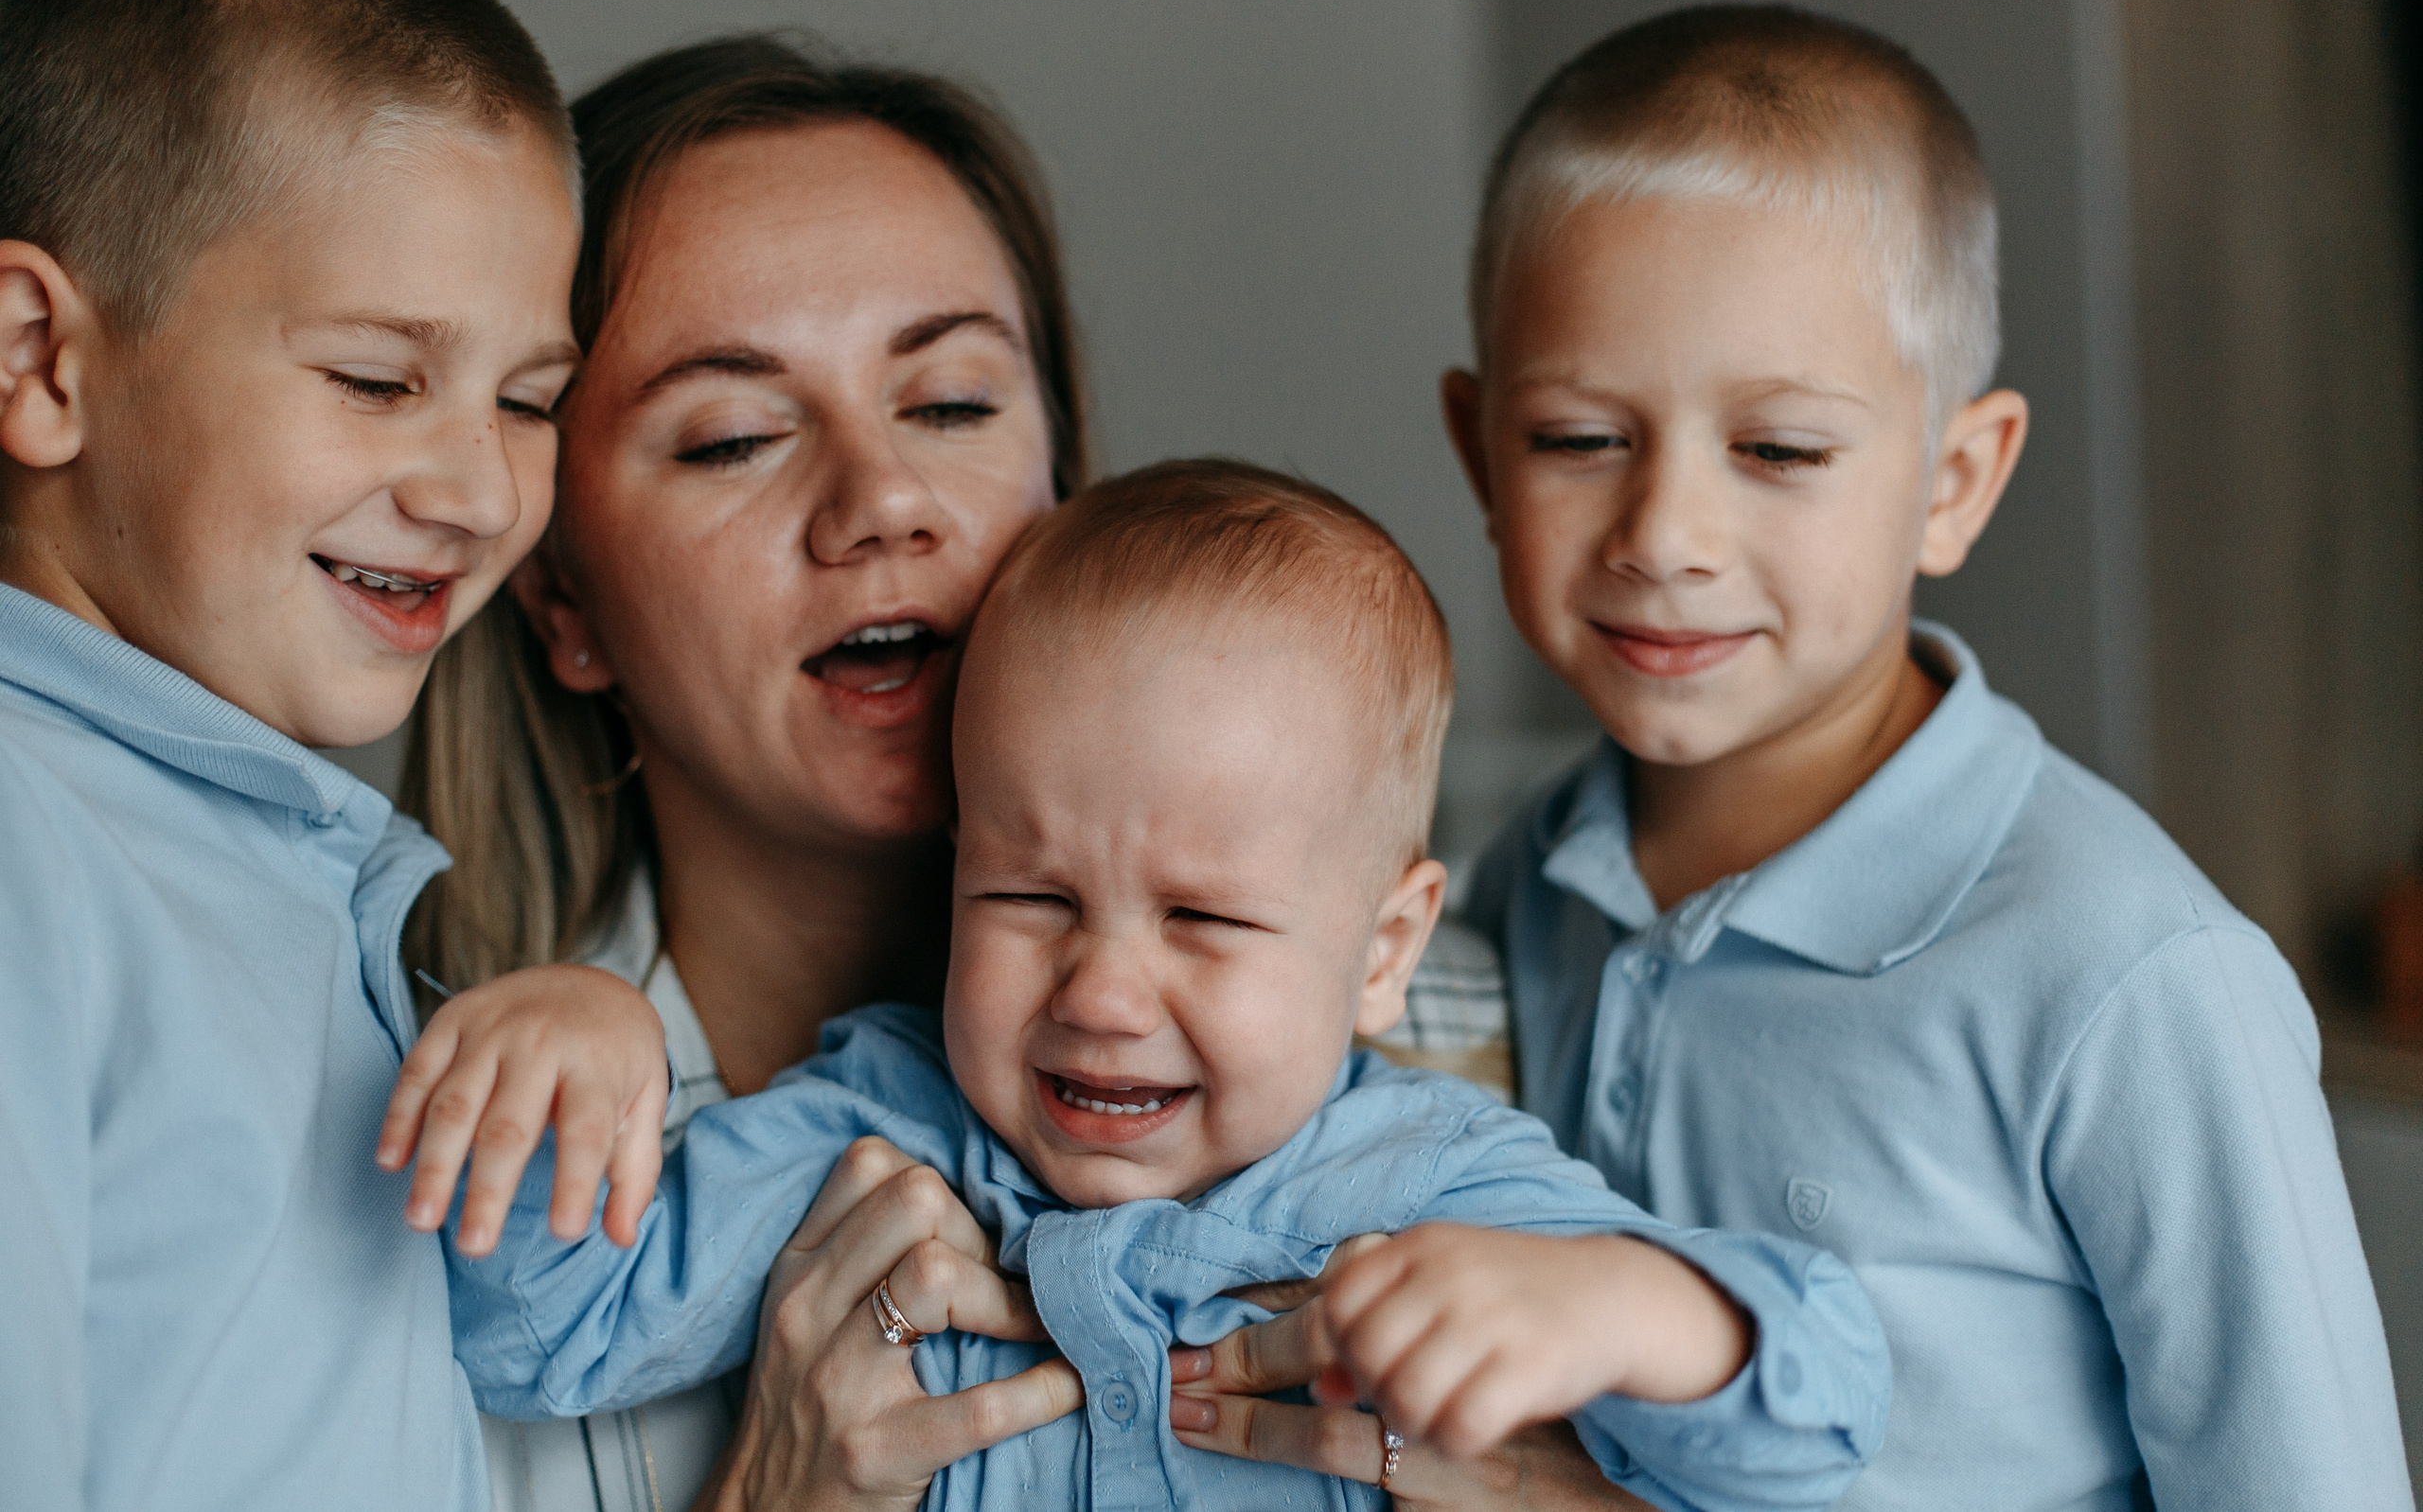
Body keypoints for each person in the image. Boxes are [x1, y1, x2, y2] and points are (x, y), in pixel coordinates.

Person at [1175, 4, 2414, 1509]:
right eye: (1578, 438)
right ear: (1477, 451)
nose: (1666, 540)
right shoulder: (1530, 881)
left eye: (1777, 451)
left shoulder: (2131, 980)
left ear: (1954, 483)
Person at [399, 459, 1895, 1512]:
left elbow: (1817, 1418)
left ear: (1385, 949)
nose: (1103, 992)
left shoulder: (1444, 1187)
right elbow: (536, 1338)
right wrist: (576, 1051)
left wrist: (1628, 1309)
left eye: (1201, 917)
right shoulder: (873, 1140)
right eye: (1030, 897)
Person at [0, 0, 660, 1508]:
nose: (479, 490)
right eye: (377, 378)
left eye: (527, 403)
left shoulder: (264, 870)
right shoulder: (28, 835)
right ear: (38, 362)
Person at [397, 32, 1091, 1511]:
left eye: (954, 405)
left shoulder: (1429, 1026)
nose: (883, 498)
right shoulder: (429, 1205)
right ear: (563, 604)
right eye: (733, 438)